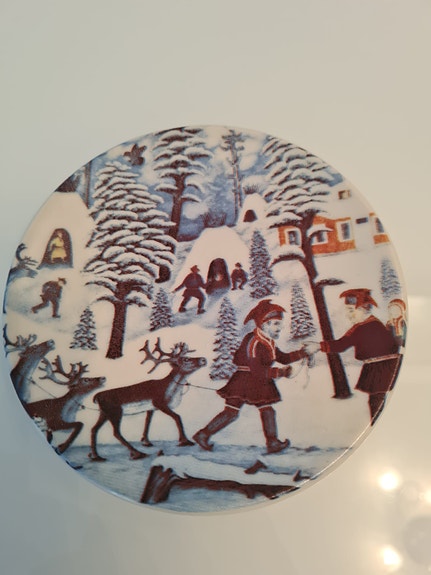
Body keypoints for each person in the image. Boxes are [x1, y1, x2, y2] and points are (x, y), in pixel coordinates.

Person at [193, 299, 308, 454]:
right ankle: (271, 443)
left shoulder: (268, 341)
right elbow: (256, 369)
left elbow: (283, 358)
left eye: (280, 323)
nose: (280, 327)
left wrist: (302, 353)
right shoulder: (253, 341)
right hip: (245, 380)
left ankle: (203, 435)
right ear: (264, 324)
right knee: (237, 412)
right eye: (276, 323)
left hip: (256, 381)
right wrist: (279, 372)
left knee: (246, 411)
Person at [305, 289, 401, 424]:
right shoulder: (372, 323)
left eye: (351, 310)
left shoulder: (362, 327)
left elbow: (341, 345)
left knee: (377, 402)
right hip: (382, 366)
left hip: (381, 368)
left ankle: (380, 426)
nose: (348, 315)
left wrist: (318, 346)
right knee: (378, 401)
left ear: (363, 309)